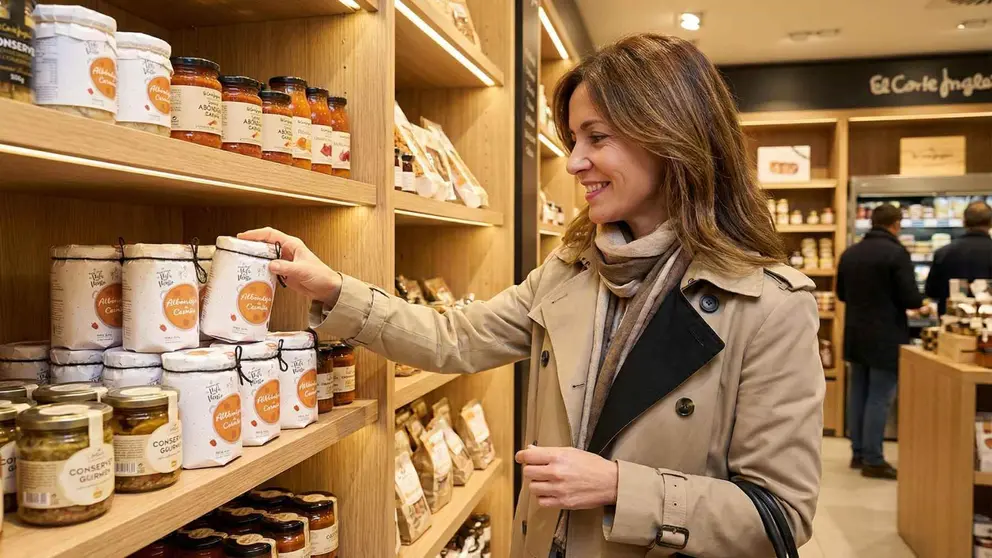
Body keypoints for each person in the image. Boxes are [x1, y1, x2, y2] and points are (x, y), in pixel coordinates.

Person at [241, 33, 824, 558]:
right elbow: (455, 338)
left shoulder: (769, 305)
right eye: (573, 138)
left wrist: (620, 487)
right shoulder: (571, 270)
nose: (573, 162)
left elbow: (780, 515)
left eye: (597, 137)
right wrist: (334, 288)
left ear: (671, 137)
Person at [837, 204, 924, 480]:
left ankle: (858, 453)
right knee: (879, 397)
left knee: (858, 393)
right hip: (886, 335)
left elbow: (841, 294)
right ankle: (873, 459)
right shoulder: (896, 253)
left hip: (855, 333)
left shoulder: (850, 253)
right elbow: (911, 298)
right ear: (895, 224)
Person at [925, 200, 992, 315]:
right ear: (991, 222)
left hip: (953, 320)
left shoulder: (943, 253)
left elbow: (932, 291)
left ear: (964, 222)